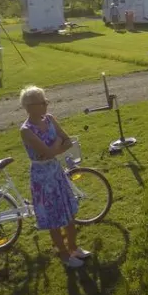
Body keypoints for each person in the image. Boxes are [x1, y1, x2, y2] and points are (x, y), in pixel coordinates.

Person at [19, 85, 91, 269]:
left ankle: (74, 248)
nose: (46, 104)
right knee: (54, 220)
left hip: (56, 172)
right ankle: (65, 255)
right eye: (43, 102)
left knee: (68, 214)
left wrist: (54, 148)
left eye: (46, 101)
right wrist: (57, 146)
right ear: (30, 106)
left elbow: (67, 141)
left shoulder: (50, 119)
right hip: (42, 179)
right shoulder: (26, 130)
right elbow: (52, 149)